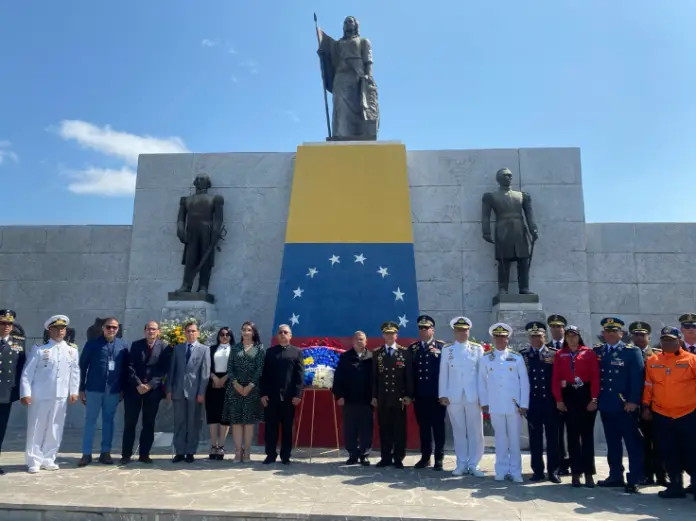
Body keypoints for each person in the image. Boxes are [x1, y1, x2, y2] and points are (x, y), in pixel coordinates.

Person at [20, 315, 80, 473]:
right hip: (40, 395)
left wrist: (73, 391)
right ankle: (34, 460)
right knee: (37, 427)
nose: (60, 331)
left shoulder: (72, 350)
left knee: (55, 427)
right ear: (49, 330)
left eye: (62, 328)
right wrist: (25, 393)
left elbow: (75, 372)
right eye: (56, 328)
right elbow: (27, 373)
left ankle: (49, 457)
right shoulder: (39, 349)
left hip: (60, 395)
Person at [643, 326, 696, 500]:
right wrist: (645, 406)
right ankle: (675, 486)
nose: (667, 343)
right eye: (664, 340)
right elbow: (649, 385)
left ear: (679, 341)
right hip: (662, 414)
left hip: (688, 414)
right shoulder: (653, 360)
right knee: (668, 451)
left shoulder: (692, 360)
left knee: (691, 451)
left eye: (671, 340)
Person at [594, 317, 645, 493]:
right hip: (607, 405)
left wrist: (633, 401)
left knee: (632, 444)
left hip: (625, 407)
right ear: (603, 334)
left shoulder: (632, 351)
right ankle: (615, 475)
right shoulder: (599, 351)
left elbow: (637, 379)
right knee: (613, 443)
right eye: (607, 331)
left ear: (621, 333)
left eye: (614, 331)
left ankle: (635, 478)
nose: (610, 334)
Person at [478, 322, 529, 482]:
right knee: (500, 439)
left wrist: (524, 404)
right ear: (493, 339)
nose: (500, 340)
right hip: (495, 405)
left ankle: (515, 471)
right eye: (497, 337)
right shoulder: (486, 359)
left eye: (503, 337)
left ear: (508, 339)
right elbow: (481, 381)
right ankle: (500, 470)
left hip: (513, 406)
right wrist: (484, 402)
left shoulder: (516, 357)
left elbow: (524, 382)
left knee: (514, 440)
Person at [552, 325, 600, 488]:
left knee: (587, 437)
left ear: (579, 337)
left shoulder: (588, 352)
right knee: (572, 437)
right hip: (569, 396)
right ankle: (575, 473)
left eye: (574, 335)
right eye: (569, 336)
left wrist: (594, 399)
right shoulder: (560, 354)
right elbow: (556, 378)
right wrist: (559, 400)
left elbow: (595, 377)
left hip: (585, 394)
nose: (572, 339)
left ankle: (588, 473)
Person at [77, 317, 128, 467]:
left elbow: (125, 370)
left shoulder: (122, 345)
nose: (111, 330)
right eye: (108, 327)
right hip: (93, 388)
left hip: (112, 390)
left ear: (118, 329)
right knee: (90, 421)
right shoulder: (92, 344)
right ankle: (86, 453)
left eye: (114, 327)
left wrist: (123, 389)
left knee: (108, 421)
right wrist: (81, 388)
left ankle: (105, 452)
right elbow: (82, 366)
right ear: (103, 328)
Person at [438, 316, 485, 477]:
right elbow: (444, 374)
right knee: (459, 430)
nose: (462, 333)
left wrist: (483, 396)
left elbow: (481, 374)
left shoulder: (478, 349)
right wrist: (443, 394)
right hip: (454, 395)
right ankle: (461, 463)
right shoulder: (447, 350)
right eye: (459, 330)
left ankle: (474, 463)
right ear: (454, 332)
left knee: (476, 431)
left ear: (469, 331)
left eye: (465, 330)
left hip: (473, 395)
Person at [122, 321, 171, 464]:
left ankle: (144, 454)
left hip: (152, 391)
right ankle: (126, 454)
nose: (151, 332)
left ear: (158, 331)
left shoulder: (164, 347)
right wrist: (138, 384)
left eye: (154, 329)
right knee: (130, 422)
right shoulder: (136, 345)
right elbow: (130, 366)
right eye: (149, 329)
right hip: (134, 390)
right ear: (144, 331)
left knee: (148, 423)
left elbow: (163, 370)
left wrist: (149, 385)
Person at [519, 321, 561, 483]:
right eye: (533, 336)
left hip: (550, 402)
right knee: (535, 439)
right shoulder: (523, 355)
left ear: (545, 337)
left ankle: (553, 471)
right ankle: (537, 470)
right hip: (533, 402)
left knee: (553, 439)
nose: (536, 339)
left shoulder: (554, 354)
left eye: (539, 336)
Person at [166, 321, 211, 463]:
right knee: (179, 422)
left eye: (193, 331)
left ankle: (190, 451)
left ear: (198, 333)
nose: (191, 333)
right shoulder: (178, 349)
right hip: (178, 391)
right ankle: (179, 451)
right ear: (185, 333)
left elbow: (205, 374)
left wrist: (201, 393)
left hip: (195, 393)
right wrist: (169, 389)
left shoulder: (204, 349)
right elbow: (172, 370)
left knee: (193, 423)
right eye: (188, 331)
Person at [629, 321, 667, 486]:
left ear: (649, 337)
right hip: (634, 404)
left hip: (655, 405)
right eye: (636, 335)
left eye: (642, 335)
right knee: (641, 442)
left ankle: (661, 474)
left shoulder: (657, 355)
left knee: (659, 441)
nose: (639, 338)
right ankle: (645, 474)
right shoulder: (628, 353)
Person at [372, 321, 414, 469]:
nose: (389, 336)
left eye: (392, 333)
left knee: (399, 429)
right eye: (386, 333)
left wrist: (409, 395)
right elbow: (374, 377)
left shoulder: (404, 353)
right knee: (384, 428)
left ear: (396, 335)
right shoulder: (377, 353)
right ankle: (385, 457)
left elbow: (409, 376)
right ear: (383, 335)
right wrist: (374, 396)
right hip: (383, 397)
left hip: (399, 398)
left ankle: (398, 457)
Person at [260, 324, 303, 465]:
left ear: (290, 336)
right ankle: (270, 455)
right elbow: (264, 375)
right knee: (271, 428)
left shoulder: (296, 352)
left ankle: (286, 456)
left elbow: (299, 376)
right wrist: (263, 394)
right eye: (280, 332)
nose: (283, 334)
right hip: (271, 397)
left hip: (289, 398)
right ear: (277, 336)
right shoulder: (270, 352)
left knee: (287, 428)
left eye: (286, 332)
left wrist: (297, 394)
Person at [222, 321, 265, 463]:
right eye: (243, 329)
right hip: (235, 390)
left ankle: (247, 452)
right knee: (236, 422)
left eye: (249, 330)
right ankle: (238, 452)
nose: (246, 332)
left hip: (251, 391)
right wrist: (236, 384)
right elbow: (230, 368)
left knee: (248, 422)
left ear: (253, 332)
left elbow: (260, 369)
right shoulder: (235, 349)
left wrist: (249, 386)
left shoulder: (259, 349)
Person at [409, 315, 447, 470]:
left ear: (433, 329)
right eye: (420, 328)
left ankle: (439, 457)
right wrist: (411, 394)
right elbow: (410, 373)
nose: (423, 330)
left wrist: (444, 394)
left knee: (438, 427)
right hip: (420, 396)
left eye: (426, 327)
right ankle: (425, 457)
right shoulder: (413, 348)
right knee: (423, 428)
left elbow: (446, 373)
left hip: (437, 396)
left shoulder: (442, 347)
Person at [333, 330, 373, 466]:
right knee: (350, 428)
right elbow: (338, 378)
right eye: (357, 339)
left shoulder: (371, 357)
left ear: (366, 341)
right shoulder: (345, 357)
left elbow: (375, 380)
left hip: (367, 401)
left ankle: (364, 455)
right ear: (352, 341)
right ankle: (352, 454)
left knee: (366, 429)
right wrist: (339, 396)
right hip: (349, 400)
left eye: (362, 339)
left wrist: (375, 397)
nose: (359, 341)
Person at [0, 310, 26, 475]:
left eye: (9, 324)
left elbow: (22, 368)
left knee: (0, 429)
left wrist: (22, 392)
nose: (6, 327)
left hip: (5, 393)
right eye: (3, 323)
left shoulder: (18, 343)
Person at [546, 314, 570, 475]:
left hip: (571, 395)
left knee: (574, 433)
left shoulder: (572, 346)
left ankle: (573, 463)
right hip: (553, 397)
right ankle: (558, 464)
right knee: (556, 433)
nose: (555, 329)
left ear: (564, 329)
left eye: (558, 326)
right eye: (553, 327)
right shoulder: (546, 348)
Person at [206, 327, 234, 460]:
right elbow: (207, 366)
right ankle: (213, 446)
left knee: (225, 416)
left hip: (227, 384)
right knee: (213, 415)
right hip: (212, 383)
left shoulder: (235, 350)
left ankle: (221, 446)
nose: (224, 336)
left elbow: (236, 367)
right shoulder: (211, 349)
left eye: (227, 335)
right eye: (222, 334)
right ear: (218, 336)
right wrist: (214, 377)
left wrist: (225, 378)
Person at [677, 313, 696, 492]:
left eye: (694, 327)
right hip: (680, 408)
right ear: (681, 330)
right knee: (685, 448)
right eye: (687, 327)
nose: (691, 330)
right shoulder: (670, 348)